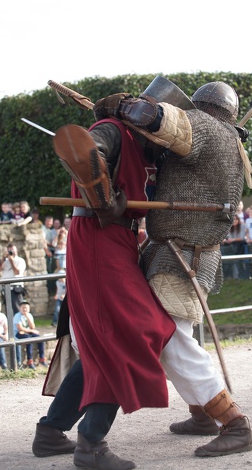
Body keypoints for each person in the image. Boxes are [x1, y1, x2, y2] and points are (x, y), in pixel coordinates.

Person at [97, 79, 252, 458]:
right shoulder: (229, 140)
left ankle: (234, 423)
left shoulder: (205, 127)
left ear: (200, 106)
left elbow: (156, 118)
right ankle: (201, 414)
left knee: (172, 340)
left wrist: (124, 108)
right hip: (181, 252)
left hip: (181, 256)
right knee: (177, 335)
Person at [33, 77, 180, 469]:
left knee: (108, 341)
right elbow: (85, 152)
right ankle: (91, 444)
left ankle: (51, 431)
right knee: (134, 332)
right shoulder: (112, 130)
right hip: (98, 239)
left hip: (117, 242)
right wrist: (102, 202)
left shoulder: (142, 146)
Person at [13, 301, 47, 370]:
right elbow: (20, 328)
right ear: (20, 308)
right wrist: (31, 331)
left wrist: (28, 318)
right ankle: (30, 360)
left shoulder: (29, 315)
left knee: (39, 337)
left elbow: (32, 326)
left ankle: (42, 358)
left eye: (26, 308)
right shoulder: (17, 316)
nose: (24, 310)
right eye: (23, 308)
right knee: (28, 339)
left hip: (27, 332)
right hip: (18, 333)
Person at [0, 243, 27, 313]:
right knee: (8, 310)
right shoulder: (5, 261)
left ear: (16, 251)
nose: (11, 253)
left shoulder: (20, 261)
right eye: (9, 251)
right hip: (6, 288)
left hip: (15, 288)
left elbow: (17, 272)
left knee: (17, 309)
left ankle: (18, 323)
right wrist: (3, 258)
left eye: (12, 251)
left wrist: (12, 261)